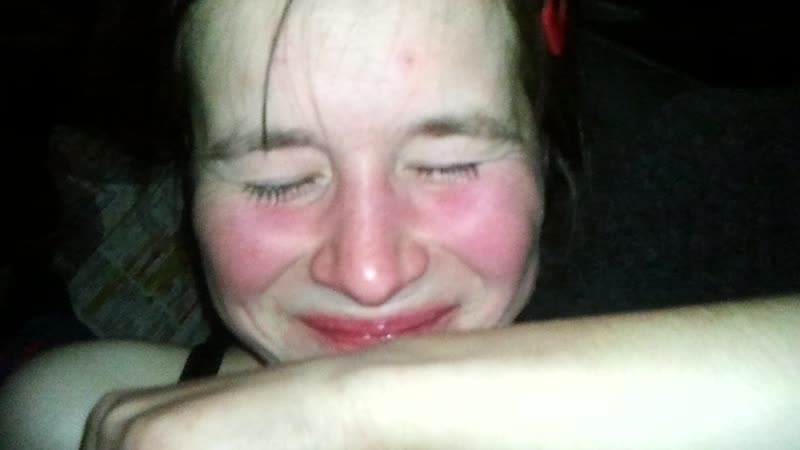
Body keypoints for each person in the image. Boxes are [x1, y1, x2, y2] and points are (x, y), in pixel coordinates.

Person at [1, 0, 798, 448]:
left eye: (448, 164)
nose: (369, 274)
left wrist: (348, 408)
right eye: (280, 181)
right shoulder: (73, 414)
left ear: (545, 150)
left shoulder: (709, 219)